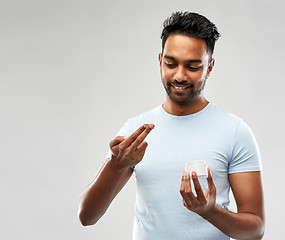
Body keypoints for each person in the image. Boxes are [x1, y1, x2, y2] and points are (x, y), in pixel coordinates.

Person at [78, 11, 265, 240]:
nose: (179, 76)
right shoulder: (136, 132)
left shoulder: (235, 132)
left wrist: (210, 212)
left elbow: (256, 230)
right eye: (170, 63)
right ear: (160, 61)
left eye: (193, 66)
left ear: (210, 67)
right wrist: (115, 166)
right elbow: (86, 216)